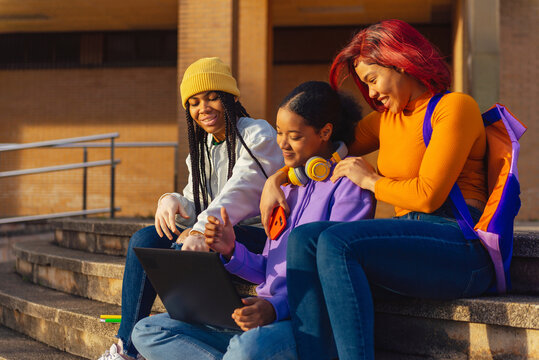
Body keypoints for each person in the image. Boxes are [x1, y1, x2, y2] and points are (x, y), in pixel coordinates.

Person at [259, 20, 495, 360]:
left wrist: (370, 181)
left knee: (337, 241)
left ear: (401, 62)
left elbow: (428, 195)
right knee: (305, 238)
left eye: (372, 79)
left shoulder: (454, 108)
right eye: (365, 85)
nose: (370, 94)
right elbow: (321, 150)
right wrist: (277, 179)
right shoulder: (387, 120)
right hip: (408, 243)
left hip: (459, 246)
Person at [130, 81, 375, 360]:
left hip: (305, 322)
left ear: (325, 132)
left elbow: (333, 280)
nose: (281, 143)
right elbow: (268, 271)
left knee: (245, 349)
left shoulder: (350, 189)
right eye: (279, 132)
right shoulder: (285, 188)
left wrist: (275, 309)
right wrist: (232, 250)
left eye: (293, 136)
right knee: (148, 330)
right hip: (263, 315)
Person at [97, 57, 284, 360]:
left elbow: (243, 189)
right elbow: (199, 202)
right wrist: (171, 200)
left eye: (212, 97)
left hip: (260, 236)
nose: (203, 108)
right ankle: (127, 349)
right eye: (194, 102)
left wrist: (199, 228)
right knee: (144, 240)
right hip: (221, 229)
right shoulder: (202, 149)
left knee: (180, 245)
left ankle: (191, 327)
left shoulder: (257, 135)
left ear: (232, 98)